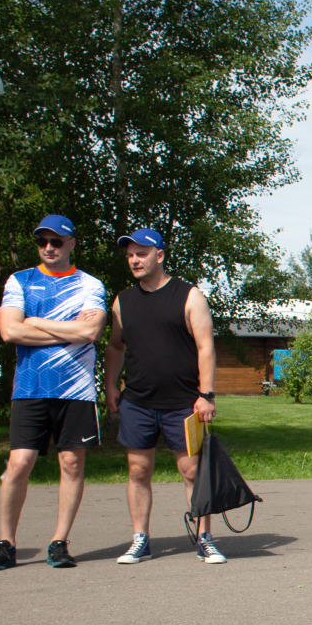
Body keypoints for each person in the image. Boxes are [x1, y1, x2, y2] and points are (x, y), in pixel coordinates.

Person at [0, 215, 108, 571]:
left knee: (71, 463)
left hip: (76, 390)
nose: (49, 248)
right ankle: (6, 542)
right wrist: (67, 330)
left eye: (56, 241)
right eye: (43, 242)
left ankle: (59, 542)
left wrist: (34, 323)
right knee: (19, 464)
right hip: (30, 387)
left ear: (71, 243)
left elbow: (90, 333)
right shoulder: (20, 281)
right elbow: (9, 331)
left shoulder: (89, 284)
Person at [103, 227, 224, 564]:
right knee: (138, 470)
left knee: (191, 472)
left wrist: (206, 394)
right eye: (129, 254)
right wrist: (111, 385)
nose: (134, 259)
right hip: (138, 402)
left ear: (159, 254)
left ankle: (204, 538)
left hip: (182, 403)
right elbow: (115, 345)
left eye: (141, 253)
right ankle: (140, 539)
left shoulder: (189, 296)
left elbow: (205, 347)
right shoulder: (122, 301)